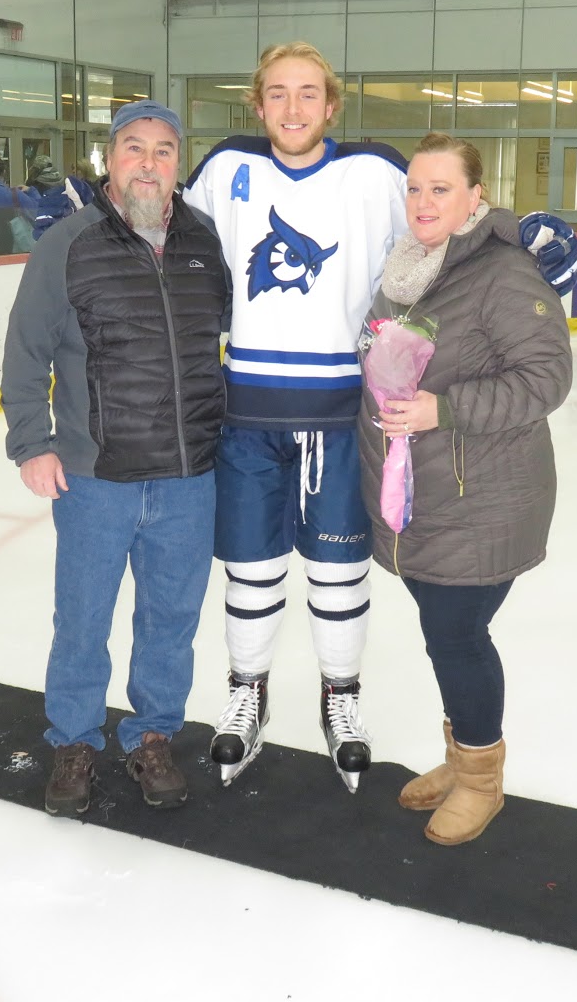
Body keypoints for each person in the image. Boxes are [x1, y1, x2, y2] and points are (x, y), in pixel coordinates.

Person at [184, 41, 408, 793]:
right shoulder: (224, 173)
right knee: (249, 570)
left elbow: (438, 242)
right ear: (257, 103)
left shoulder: (375, 175)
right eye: (276, 93)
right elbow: (175, 257)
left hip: (343, 420)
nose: (292, 108)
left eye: (308, 93)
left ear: (332, 105)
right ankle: (248, 690)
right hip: (246, 417)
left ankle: (341, 698)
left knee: (339, 572)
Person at [1, 99, 229, 815]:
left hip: (189, 477)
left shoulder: (205, 241)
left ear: (178, 165)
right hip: (96, 477)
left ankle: (151, 735)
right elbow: (24, 352)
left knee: (171, 621)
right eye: (135, 148)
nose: (150, 164)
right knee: (83, 620)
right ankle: (73, 739)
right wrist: (32, 444)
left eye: (165, 150)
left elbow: (222, 343)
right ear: (110, 159)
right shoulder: (67, 243)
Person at [357, 132, 572, 845]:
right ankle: (462, 756)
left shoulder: (505, 273)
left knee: (457, 635)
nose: (423, 201)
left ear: (476, 198)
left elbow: (546, 378)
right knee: (444, 634)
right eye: (415, 188)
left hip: (483, 494)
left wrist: (442, 409)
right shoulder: (408, 268)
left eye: (441, 189)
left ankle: (481, 777)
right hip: (424, 494)